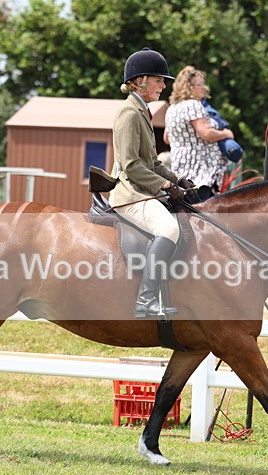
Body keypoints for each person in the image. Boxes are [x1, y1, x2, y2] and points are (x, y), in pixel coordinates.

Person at [109, 48, 193, 319]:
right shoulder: (129, 113)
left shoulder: (143, 111)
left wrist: (177, 179)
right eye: (158, 80)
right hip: (130, 193)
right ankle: (145, 300)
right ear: (140, 81)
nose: (164, 85)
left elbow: (153, 163)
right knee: (168, 229)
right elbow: (131, 165)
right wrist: (165, 187)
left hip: (144, 189)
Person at [164, 66, 235, 191]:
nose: (204, 87)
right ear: (189, 87)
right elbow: (206, 133)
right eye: (200, 84)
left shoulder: (172, 108)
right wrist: (225, 133)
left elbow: (167, 138)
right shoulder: (193, 105)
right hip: (200, 173)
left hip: (180, 170)